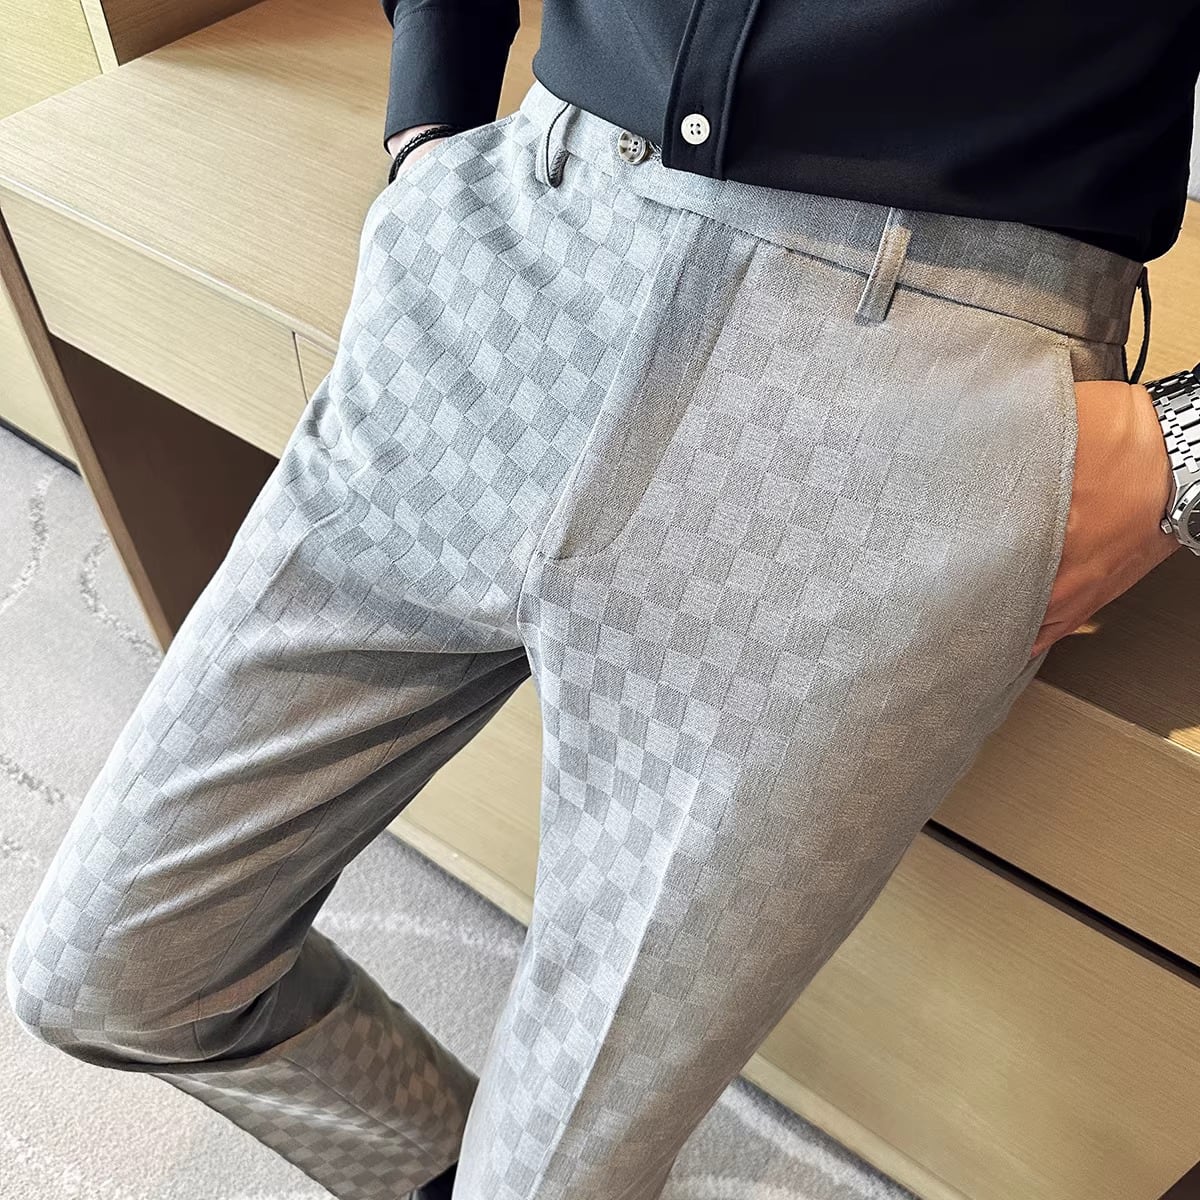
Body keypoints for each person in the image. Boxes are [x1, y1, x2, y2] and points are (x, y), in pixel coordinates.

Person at [8, 3, 1200, 1199]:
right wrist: (425, 134)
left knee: (558, 1174)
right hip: (519, 241)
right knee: (104, 973)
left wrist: (1179, 451)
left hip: (912, 384)